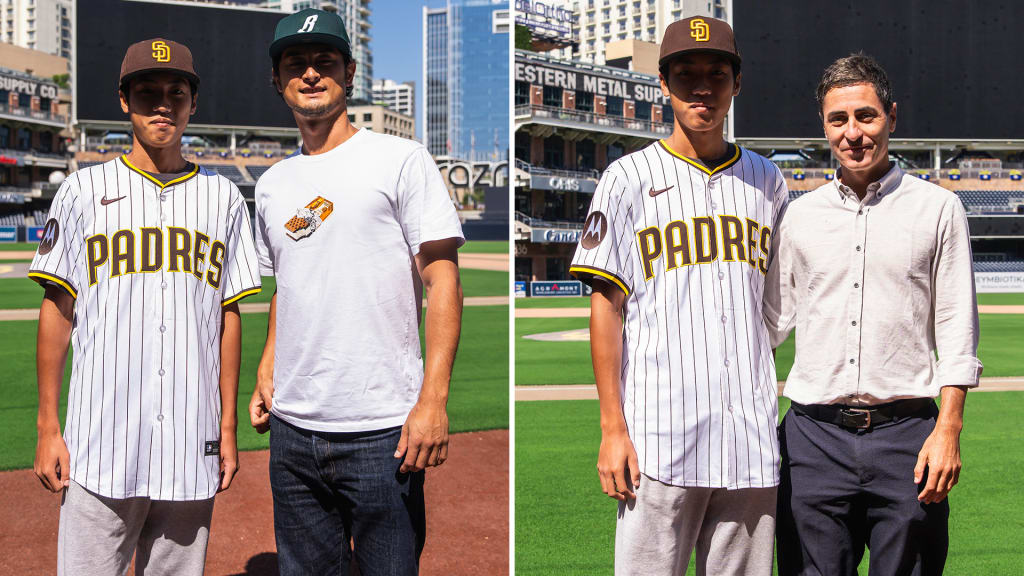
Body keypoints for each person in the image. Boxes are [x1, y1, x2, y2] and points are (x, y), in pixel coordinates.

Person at [30, 38, 262, 575]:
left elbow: (229, 315)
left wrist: (227, 427)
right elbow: (57, 308)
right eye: (147, 92)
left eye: (175, 93)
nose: (162, 105)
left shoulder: (223, 197)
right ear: (123, 100)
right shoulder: (83, 190)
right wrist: (48, 426)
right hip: (99, 443)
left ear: (193, 103)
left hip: (191, 441)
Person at [247, 9, 464, 575]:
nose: (311, 74)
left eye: (325, 61)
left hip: (382, 430)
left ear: (349, 71)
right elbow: (284, 286)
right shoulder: (271, 185)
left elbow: (442, 277)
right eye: (297, 64)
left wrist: (434, 399)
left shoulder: (400, 158)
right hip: (292, 432)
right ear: (277, 79)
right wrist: (268, 367)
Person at [569, 16, 788, 575]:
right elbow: (605, 306)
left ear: (737, 84)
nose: (701, 87)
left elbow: (779, 304)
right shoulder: (626, 177)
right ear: (663, 84)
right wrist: (611, 428)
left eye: (717, 73)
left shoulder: (769, 181)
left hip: (749, 441)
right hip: (658, 440)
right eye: (684, 74)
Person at [764, 53, 982, 576]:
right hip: (812, 442)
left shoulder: (938, 209)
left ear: (891, 116)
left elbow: (956, 331)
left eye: (866, 116)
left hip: (908, 438)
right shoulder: (798, 216)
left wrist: (947, 430)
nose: (852, 133)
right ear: (824, 126)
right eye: (838, 120)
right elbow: (769, 324)